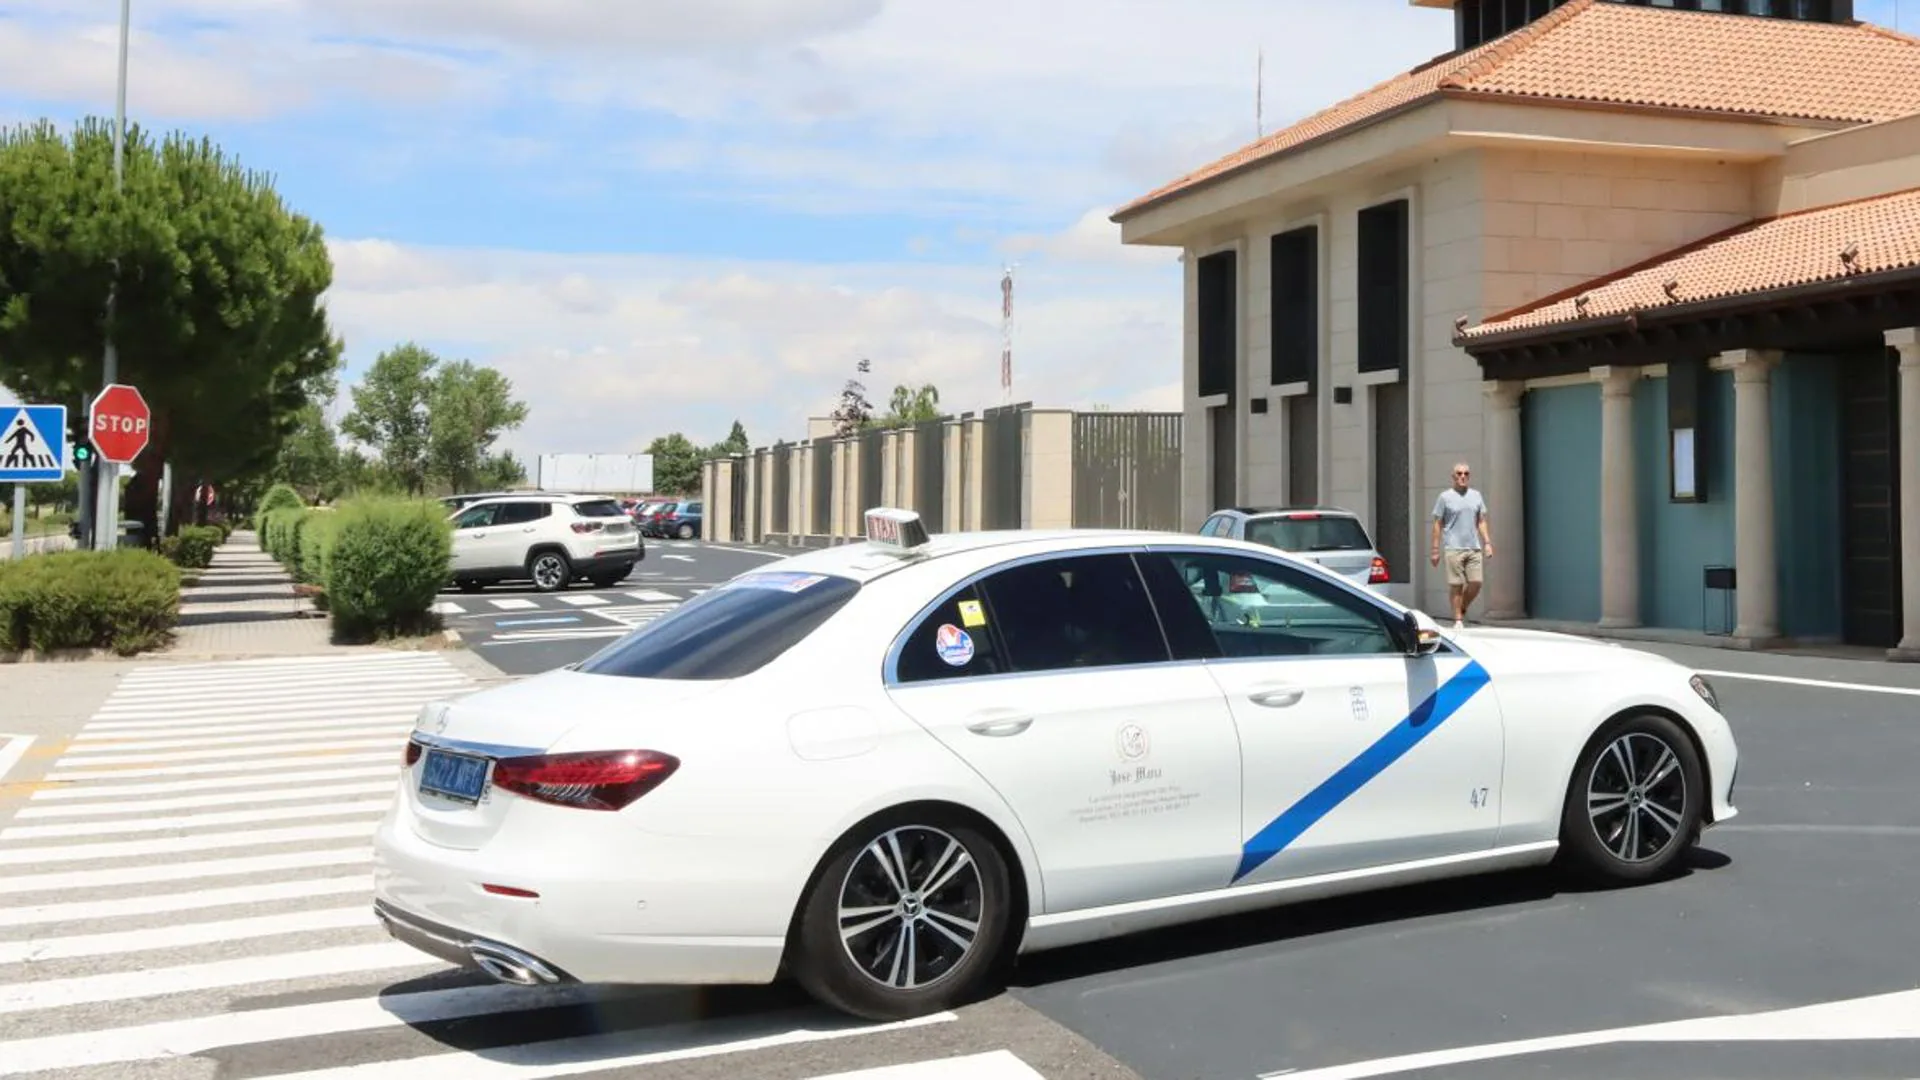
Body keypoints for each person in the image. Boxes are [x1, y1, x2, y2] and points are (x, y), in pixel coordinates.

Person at [1429, 462, 1493, 630]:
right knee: (1456, 585)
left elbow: (1481, 521)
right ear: (1453, 477)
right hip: (1453, 547)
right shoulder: (1445, 497)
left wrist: (1487, 542)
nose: (1462, 476)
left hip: (1474, 547)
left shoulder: (1476, 496)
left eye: (1466, 473)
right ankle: (1458, 619)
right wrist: (1435, 550)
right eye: (1459, 473)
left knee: (1476, 582)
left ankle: (1462, 606)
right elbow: (1437, 523)